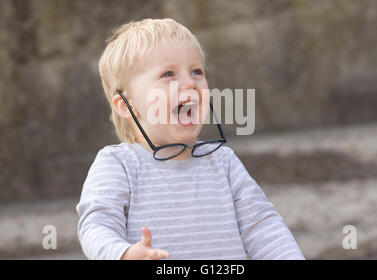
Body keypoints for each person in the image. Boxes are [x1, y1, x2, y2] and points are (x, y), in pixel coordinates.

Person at [76, 18, 305, 260]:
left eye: (196, 71)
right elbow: (96, 226)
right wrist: (123, 254)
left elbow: (263, 227)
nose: (189, 83)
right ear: (126, 105)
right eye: (168, 74)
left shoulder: (222, 162)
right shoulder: (118, 164)